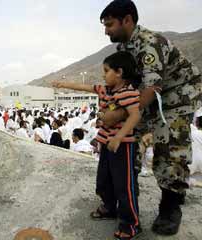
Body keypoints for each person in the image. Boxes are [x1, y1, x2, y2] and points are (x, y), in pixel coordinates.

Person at [99, 0, 202, 236]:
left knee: (169, 146)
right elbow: (129, 88)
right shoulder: (123, 50)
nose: (106, 30)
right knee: (128, 144)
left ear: (127, 20)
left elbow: (151, 89)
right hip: (146, 99)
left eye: (110, 25)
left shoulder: (150, 44)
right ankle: (125, 203)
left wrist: (119, 114)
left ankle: (170, 207)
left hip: (176, 96)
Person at [53, 51, 141, 240]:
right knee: (104, 179)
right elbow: (83, 86)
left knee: (124, 185)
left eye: (106, 71)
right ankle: (109, 207)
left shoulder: (128, 93)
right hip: (106, 144)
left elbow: (135, 115)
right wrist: (63, 84)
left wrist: (118, 137)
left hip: (122, 146)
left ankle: (131, 224)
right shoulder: (104, 90)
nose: (103, 74)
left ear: (119, 72)